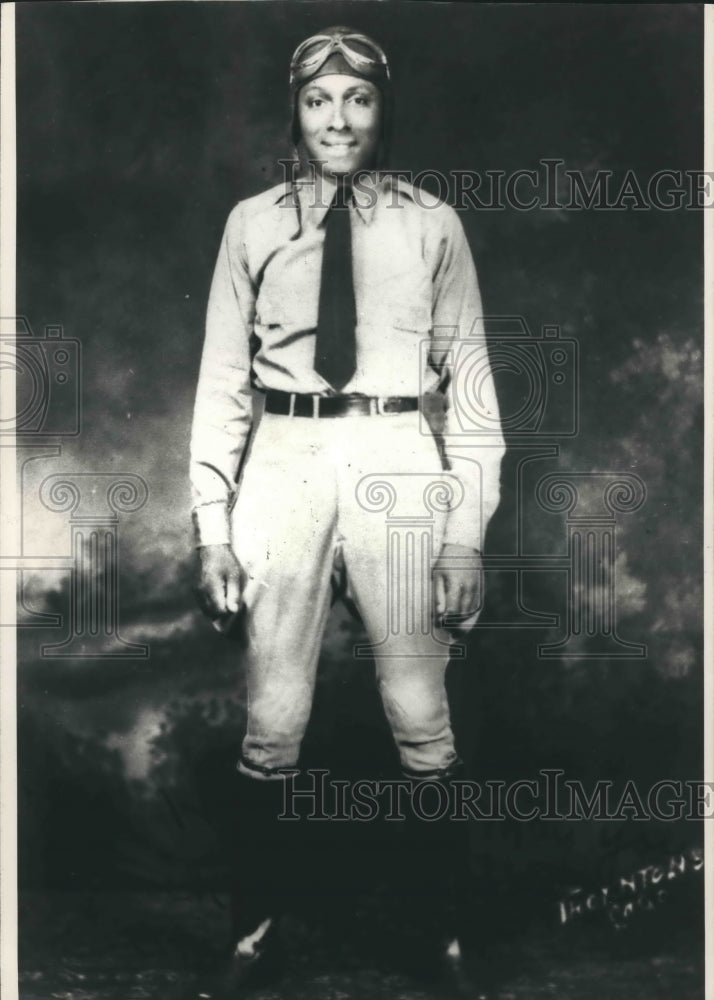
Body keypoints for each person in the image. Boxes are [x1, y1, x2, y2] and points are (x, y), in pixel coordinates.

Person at [189, 25, 505, 997]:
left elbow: (476, 386)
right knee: (273, 719)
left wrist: (463, 530)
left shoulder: (431, 224)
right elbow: (222, 385)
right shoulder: (252, 223)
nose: (339, 118)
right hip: (282, 461)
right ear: (296, 109)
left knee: (419, 711)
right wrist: (212, 525)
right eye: (321, 100)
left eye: (358, 100)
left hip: (395, 454)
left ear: (381, 111)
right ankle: (255, 936)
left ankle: (438, 939)